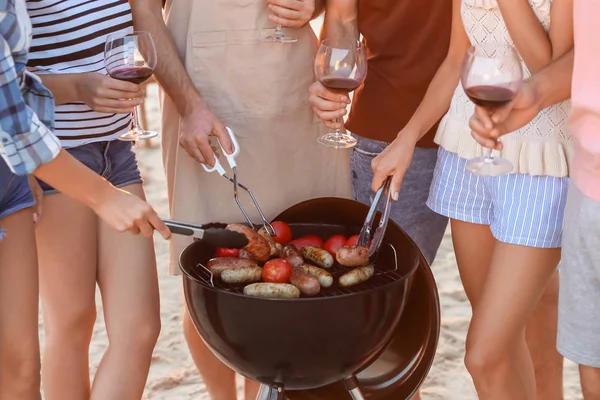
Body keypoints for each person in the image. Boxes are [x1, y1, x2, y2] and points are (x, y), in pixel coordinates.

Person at [309, 0, 568, 398]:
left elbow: (550, 64)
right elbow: (454, 62)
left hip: (538, 160)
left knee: (483, 354)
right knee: (500, 345)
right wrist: (407, 139)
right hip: (464, 153)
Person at [130, 0, 351, 399]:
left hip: (296, 93)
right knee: (209, 277)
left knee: (294, 266)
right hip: (204, 97)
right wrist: (191, 106)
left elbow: (338, 8)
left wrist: (312, 5)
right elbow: (142, 12)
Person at [0, 1, 170, 399]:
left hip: (117, 148)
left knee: (140, 329)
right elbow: (12, 81)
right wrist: (79, 87)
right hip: (58, 156)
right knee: (72, 321)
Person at [469, 0, 599, 392]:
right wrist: (535, 93)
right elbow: (588, 56)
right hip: (589, 182)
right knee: (593, 377)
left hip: (559, 168)